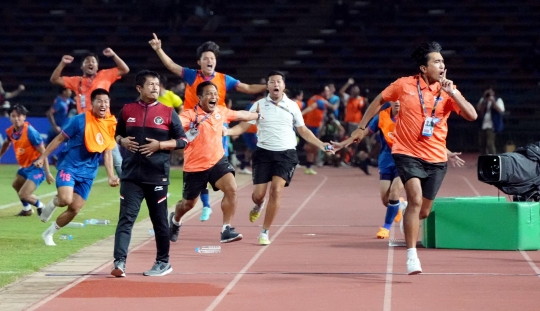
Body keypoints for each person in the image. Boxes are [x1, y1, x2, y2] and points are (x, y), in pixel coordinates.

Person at [343, 42, 477, 274]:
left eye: (443, 62)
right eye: (437, 61)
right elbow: (378, 101)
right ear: (424, 68)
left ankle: (407, 215)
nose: (442, 65)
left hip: (436, 157)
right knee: (414, 198)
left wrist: (452, 92)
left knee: (422, 211)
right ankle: (412, 256)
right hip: (406, 152)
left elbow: (472, 115)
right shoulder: (403, 85)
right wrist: (361, 127)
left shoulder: (448, 90)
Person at [149, 33, 266, 222]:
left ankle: (222, 222)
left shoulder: (223, 79)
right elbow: (171, 66)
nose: (209, 61)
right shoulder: (191, 75)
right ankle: (201, 204)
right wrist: (158, 49)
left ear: (215, 62)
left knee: (218, 166)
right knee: (200, 165)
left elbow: (246, 88)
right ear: (200, 62)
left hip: (217, 127)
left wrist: (265, 87)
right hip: (192, 126)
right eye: (206, 58)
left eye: (212, 58)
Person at [226, 71, 333, 245]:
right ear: (267, 86)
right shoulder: (258, 105)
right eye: (272, 81)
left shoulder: (292, 106)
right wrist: (228, 131)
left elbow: (303, 130)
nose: (275, 84)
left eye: (278, 81)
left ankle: (264, 232)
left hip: (286, 154)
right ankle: (259, 205)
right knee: (258, 196)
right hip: (263, 153)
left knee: (276, 190)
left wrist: (322, 145)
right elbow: (244, 125)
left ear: (283, 86)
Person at [111, 70, 188, 278]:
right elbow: (116, 133)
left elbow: (183, 140)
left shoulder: (167, 111)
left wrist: (160, 145)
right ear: (139, 88)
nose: (155, 87)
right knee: (126, 219)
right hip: (131, 176)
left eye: (157, 84)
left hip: (156, 176)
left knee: (159, 221)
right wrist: (122, 141)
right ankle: (120, 262)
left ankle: (163, 262)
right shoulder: (127, 110)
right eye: (151, 84)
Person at [168, 81, 261, 244]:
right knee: (188, 204)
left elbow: (241, 115)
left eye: (216, 94)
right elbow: (174, 126)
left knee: (232, 189)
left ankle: (226, 229)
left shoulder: (220, 111)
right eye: (209, 93)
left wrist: (258, 115)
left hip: (217, 161)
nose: (214, 97)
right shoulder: (189, 116)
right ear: (200, 97)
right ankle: (175, 220)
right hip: (194, 167)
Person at [35, 88, 119, 246]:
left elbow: (107, 153)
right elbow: (60, 139)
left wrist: (110, 175)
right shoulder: (79, 120)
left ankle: (48, 234)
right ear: (92, 103)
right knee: (65, 199)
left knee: (75, 209)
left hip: (88, 173)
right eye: (99, 101)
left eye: (106, 102)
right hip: (70, 166)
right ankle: (54, 203)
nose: (103, 104)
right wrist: (43, 156)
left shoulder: (109, 124)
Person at [49, 48, 129, 177]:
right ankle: (66, 181)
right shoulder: (77, 81)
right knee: (76, 154)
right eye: (87, 61)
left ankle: (126, 184)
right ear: (82, 66)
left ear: (97, 66)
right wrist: (62, 63)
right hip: (85, 124)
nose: (91, 63)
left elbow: (125, 70)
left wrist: (114, 55)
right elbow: (54, 79)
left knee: (114, 155)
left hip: (104, 123)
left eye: (93, 61)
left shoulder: (105, 75)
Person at [0, 104, 54, 216]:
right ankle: (27, 209)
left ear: (24, 117)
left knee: (23, 194)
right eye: (13, 116)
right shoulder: (11, 131)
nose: (16, 119)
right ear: (10, 117)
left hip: (37, 168)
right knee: (16, 184)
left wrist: (48, 173)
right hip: (25, 167)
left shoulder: (30, 132)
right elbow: (6, 144)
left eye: (19, 116)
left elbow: (44, 153)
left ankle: (42, 207)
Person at [301, 85, 330, 175]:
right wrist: (300, 115)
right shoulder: (320, 101)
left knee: (314, 147)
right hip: (311, 127)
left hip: (314, 126)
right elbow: (311, 107)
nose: (328, 93)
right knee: (312, 146)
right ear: (322, 92)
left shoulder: (312, 98)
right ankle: (308, 165)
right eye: (327, 91)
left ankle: (309, 166)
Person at [477, 87, 505, 155]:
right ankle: (483, 158)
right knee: (482, 144)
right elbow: (479, 109)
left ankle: (493, 158)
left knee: (490, 143)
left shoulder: (498, 100)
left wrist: (493, 102)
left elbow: (501, 110)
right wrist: (484, 100)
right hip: (483, 125)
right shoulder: (483, 100)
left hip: (492, 125)